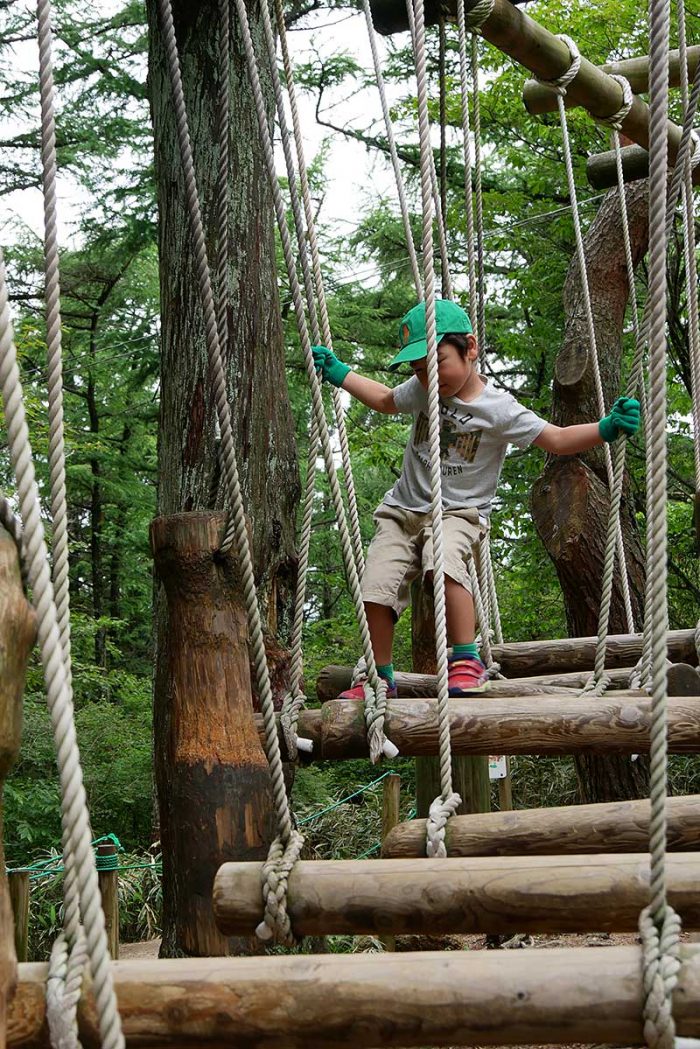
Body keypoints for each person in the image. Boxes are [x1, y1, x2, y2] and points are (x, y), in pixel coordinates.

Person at [312, 299, 640, 698]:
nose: (429, 378)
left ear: (470, 348)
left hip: (457, 513)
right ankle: (380, 678)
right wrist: (341, 374)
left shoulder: (497, 409)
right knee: (375, 587)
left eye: (439, 364)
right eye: (419, 370)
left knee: (443, 562)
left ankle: (466, 658)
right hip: (402, 511)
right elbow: (384, 400)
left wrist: (605, 428)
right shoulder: (422, 389)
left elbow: (553, 438)